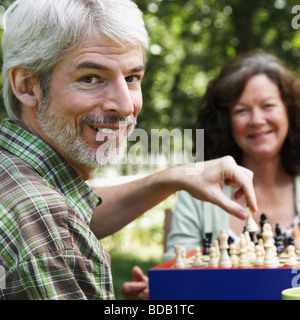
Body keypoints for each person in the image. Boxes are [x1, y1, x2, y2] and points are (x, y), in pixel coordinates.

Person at [0, 0, 257, 300]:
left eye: (132, 78)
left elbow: (77, 214)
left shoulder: (17, 177)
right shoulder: (47, 226)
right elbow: (56, 223)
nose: (125, 106)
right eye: (91, 78)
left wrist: (176, 177)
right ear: (28, 85)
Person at [164, 49, 300, 261]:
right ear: (225, 122)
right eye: (241, 110)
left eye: (268, 106)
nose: (256, 120)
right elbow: (177, 272)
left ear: (289, 111)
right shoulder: (197, 194)